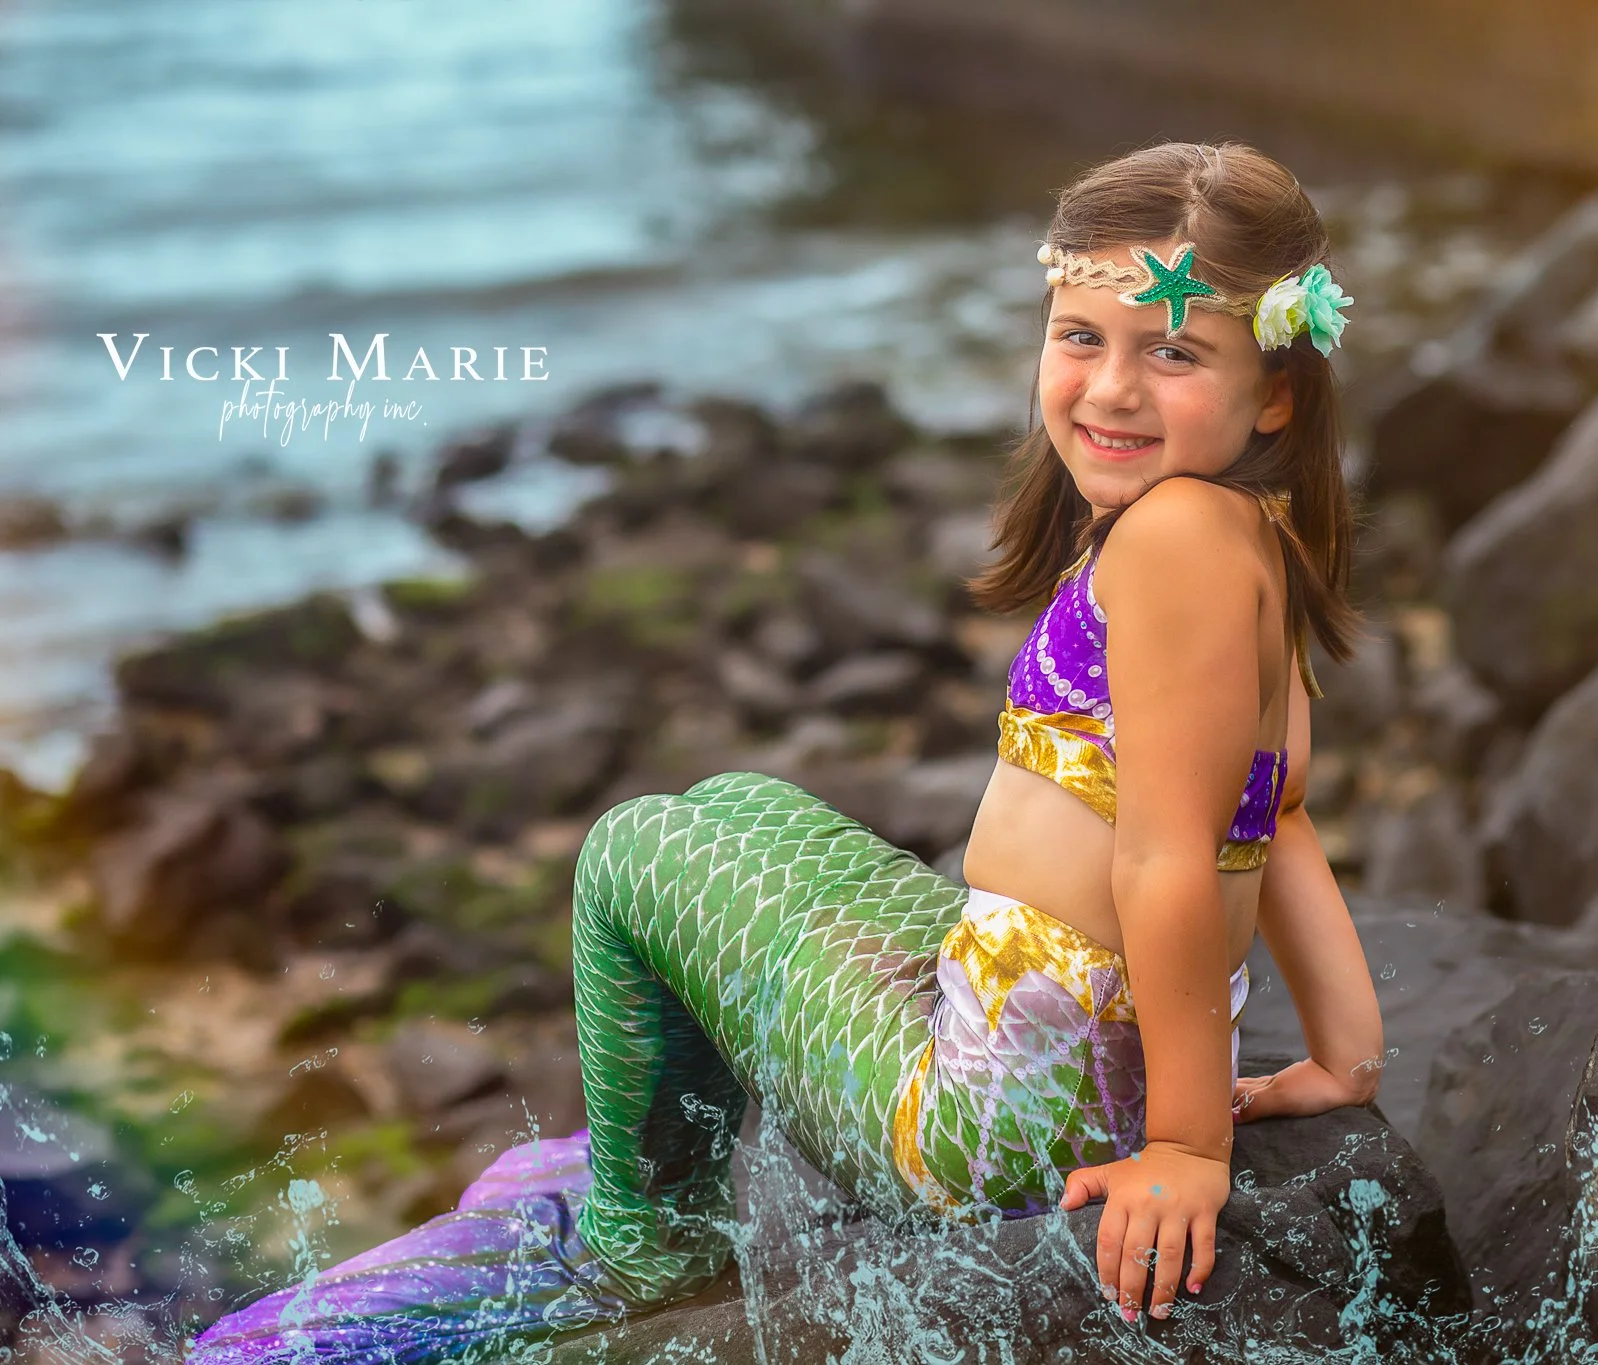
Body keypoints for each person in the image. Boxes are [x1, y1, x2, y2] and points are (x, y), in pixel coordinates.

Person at [188, 140, 1386, 1364]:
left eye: (1172, 352)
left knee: (632, 849)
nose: (1110, 389)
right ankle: (677, 1150)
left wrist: (1186, 1149)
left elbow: (1169, 857)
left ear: (1276, 386)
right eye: (1081, 337)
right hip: (1048, 1028)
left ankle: (649, 1238)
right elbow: (1274, 807)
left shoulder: (1175, 535)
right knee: (737, 809)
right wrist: (1343, 1056)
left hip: (1003, 1120)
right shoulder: (1249, 532)